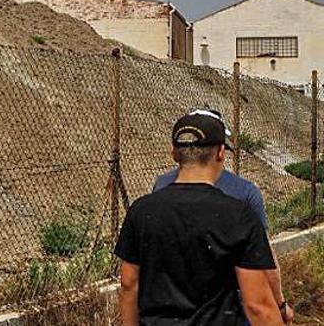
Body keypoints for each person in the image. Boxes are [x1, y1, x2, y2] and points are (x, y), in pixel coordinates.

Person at [116, 110, 286, 325]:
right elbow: (258, 305)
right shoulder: (238, 215)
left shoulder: (140, 211)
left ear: (173, 153)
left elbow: (129, 284)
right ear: (221, 153)